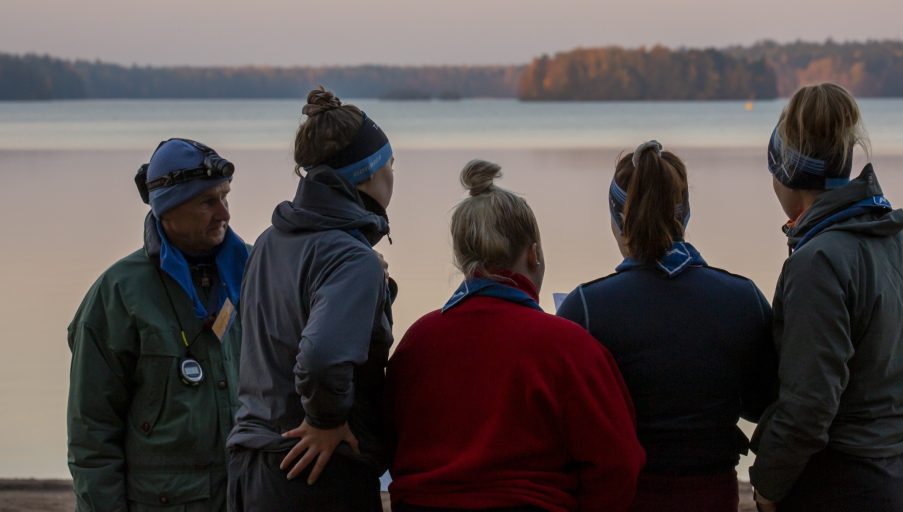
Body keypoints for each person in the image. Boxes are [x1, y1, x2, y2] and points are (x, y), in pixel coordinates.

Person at [749, 83, 903, 512]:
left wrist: (768, 485)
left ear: (784, 171)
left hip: (841, 485)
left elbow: (809, 406)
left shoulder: (816, 262)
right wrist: (886, 394)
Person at [384, 159, 646, 512]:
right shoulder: (568, 347)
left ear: (463, 261)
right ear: (533, 255)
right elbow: (619, 463)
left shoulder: (417, 343)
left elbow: (387, 443)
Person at [556, 141, 777, 511]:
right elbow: (765, 405)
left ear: (617, 219)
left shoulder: (586, 307)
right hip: (713, 494)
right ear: (685, 214)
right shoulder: (743, 299)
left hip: (625, 497)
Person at [227, 86, 397, 512]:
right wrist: (326, 418)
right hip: (314, 474)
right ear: (369, 174)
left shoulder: (268, 242)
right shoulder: (351, 257)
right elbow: (321, 356)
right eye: (391, 164)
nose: (394, 175)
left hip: (251, 466)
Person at [67, 138, 248, 511]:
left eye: (225, 197)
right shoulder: (117, 293)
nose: (225, 214)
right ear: (169, 209)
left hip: (249, 495)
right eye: (207, 202)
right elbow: (92, 435)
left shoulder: (257, 271)